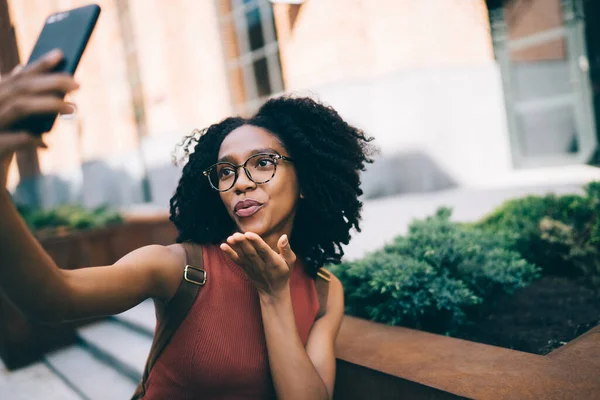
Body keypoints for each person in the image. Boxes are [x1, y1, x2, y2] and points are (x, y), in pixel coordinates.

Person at [0, 50, 375, 399]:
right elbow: (52, 298)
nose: (240, 182)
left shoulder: (326, 293)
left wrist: (274, 295)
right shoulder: (180, 268)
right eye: (226, 170)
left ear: (306, 182)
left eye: (263, 162)